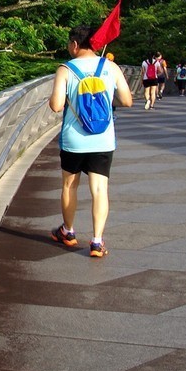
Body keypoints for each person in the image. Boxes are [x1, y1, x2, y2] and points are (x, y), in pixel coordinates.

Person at [49, 25, 134, 258]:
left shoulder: (66, 69)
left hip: (73, 140)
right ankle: (96, 242)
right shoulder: (110, 66)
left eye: (69, 43)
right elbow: (127, 101)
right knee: (99, 189)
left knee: (69, 186)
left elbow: (56, 106)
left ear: (75, 45)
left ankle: (68, 231)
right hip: (103, 140)